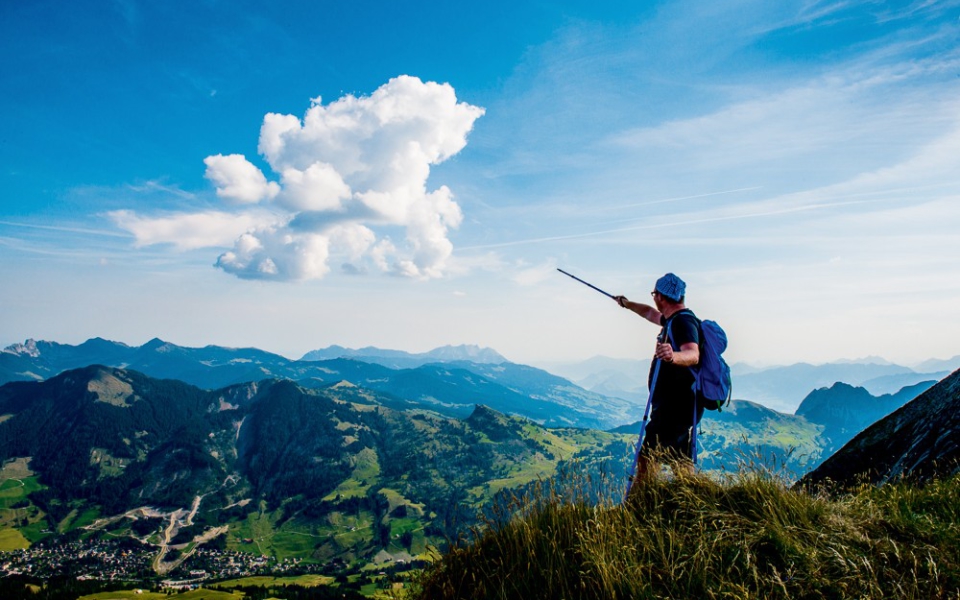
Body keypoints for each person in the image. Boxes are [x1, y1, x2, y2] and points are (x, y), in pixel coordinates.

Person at [613, 272, 703, 485]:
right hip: (680, 406)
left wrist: (673, 356)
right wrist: (626, 303)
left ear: (661, 296)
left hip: (673, 407)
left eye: (654, 294)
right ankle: (692, 495)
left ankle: (637, 506)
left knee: (646, 459)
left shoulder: (683, 323)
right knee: (680, 458)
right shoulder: (672, 319)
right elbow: (648, 313)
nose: (653, 298)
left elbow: (693, 354)